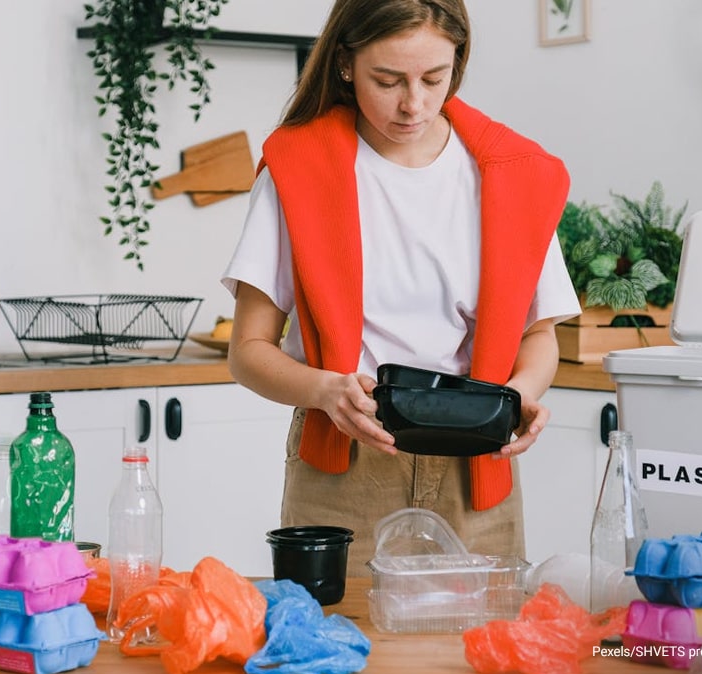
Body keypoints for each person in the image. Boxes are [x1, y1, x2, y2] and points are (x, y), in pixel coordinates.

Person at [221, 0, 581, 576]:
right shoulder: (298, 169)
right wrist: (325, 392)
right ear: (344, 64)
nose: (413, 103)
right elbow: (248, 353)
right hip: (345, 468)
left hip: (476, 466)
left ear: (457, 62)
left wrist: (521, 394)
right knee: (340, 651)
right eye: (387, 81)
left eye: (434, 78)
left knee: (477, 654)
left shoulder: (516, 174)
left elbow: (538, 335)